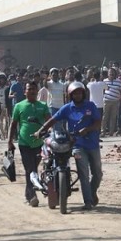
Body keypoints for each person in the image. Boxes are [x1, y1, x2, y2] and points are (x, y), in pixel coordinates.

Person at [35, 82, 102, 211]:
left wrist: (87, 129)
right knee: (83, 173)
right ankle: (87, 201)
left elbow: (98, 122)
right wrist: (40, 130)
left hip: (92, 144)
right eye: (75, 93)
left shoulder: (90, 106)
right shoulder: (67, 108)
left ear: (83, 93)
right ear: (71, 95)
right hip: (77, 144)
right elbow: (53, 119)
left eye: (80, 93)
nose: (77, 95)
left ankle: (92, 192)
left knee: (97, 173)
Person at [8, 82, 51, 207]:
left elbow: (49, 121)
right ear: (25, 91)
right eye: (29, 89)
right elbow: (13, 124)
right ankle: (32, 196)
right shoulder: (19, 106)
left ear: (37, 91)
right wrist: (10, 141)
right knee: (30, 169)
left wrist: (52, 132)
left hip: (39, 143)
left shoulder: (43, 105)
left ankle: (28, 193)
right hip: (24, 143)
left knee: (34, 169)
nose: (31, 91)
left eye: (33, 89)